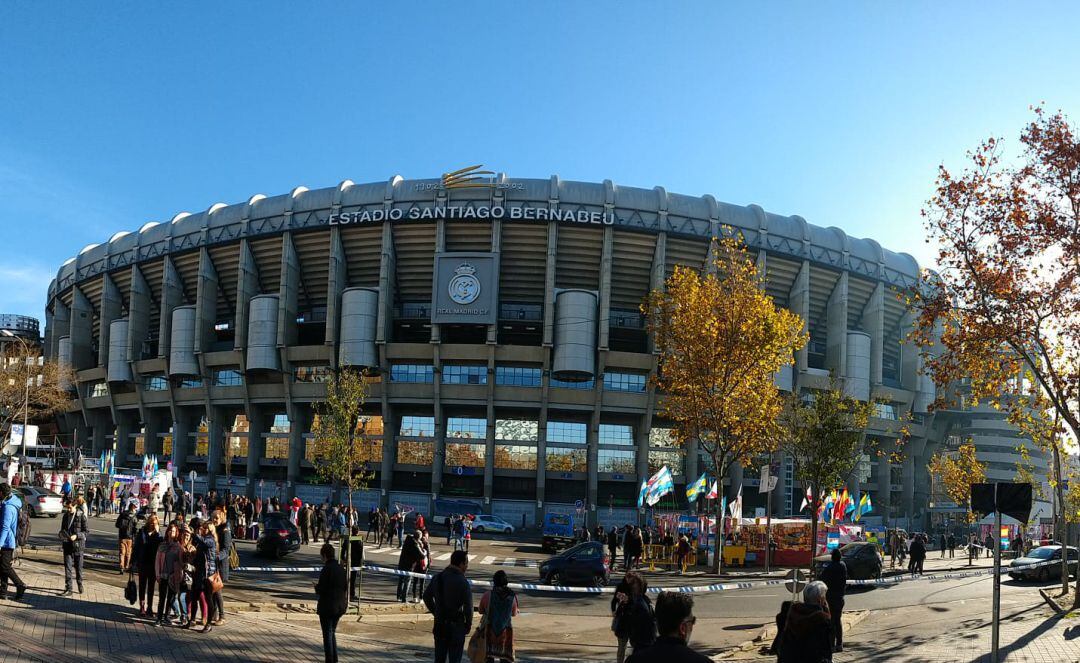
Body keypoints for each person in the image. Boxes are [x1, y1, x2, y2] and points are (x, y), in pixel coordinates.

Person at [624, 591, 710, 663]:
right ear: (683, 628)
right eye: (692, 621)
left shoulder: (633, 660)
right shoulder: (702, 661)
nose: (692, 626)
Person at [424, 550, 473, 663]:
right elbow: (468, 606)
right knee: (455, 659)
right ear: (461, 564)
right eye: (466, 563)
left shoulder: (438, 577)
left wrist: (436, 611)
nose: (466, 566)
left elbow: (426, 597)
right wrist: (468, 624)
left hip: (440, 624)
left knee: (439, 658)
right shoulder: (463, 581)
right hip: (456, 626)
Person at [775, 581, 834, 663]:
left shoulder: (793, 613)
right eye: (825, 597)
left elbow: (783, 642)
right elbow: (825, 649)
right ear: (821, 600)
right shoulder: (822, 620)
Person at [611, 571, 656, 662]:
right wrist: (615, 610)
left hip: (639, 636)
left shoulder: (641, 603)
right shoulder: (623, 588)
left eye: (633, 583)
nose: (631, 585)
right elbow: (614, 601)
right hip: (625, 625)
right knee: (622, 647)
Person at [315, 542, 348, 663]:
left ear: (324, 555)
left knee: (327, 635)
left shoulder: (326, 569)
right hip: (340, 606)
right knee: (332, 632)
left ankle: (330, 659)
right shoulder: (340, 568)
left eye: (321, 556)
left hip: (328, 607)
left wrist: (316, 587)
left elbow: (322, 589)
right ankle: (334, 659)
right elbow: (345, 586)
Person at [478, 570, 519, 663]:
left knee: (488, 658)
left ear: (494, 581)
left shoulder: (488, 595)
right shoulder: (512, 596)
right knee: (505, 658)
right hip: (505, 633)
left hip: (489, 631)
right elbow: (514, 613)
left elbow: (480, 611)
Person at [186, 517, 217, 633]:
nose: (201, 530)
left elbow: (203, 542)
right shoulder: (201, 540)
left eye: (204, 528)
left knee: (209, 599)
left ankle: (208, 623)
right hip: (199, 573)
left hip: (208, 574)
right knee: (195, 597)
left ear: (208, 530)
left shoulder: (210, 540)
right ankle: (192, 620)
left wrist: (193, 534)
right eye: (201, 528)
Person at [133, 514, 163, 616]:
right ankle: (142, 606)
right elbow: (136, 546)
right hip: (143, 563)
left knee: (151, 586)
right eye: (151, 523)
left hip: (153, 563)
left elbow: (161, 546)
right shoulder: (142, 532)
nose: (152, 525)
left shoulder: (158, 535)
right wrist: (134, 561)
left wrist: (158, 531)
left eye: (154, 523)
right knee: (142, 585)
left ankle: (149, 607)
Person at [0, 483, 25, 601]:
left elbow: (5, 527)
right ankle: (3, 591)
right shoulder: (10, 502)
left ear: (1, 493)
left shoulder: (8, 507)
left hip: (6, 541)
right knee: (2, 566)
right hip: (7, 540)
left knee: (5, 567)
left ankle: (20, 585)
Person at [819, 548, 847, 652]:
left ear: (832, 557)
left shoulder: (829, 568)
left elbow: (822, 578)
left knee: (831, 621)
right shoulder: (843, 566)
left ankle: (831, 644)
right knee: (838, 620)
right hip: (840, 597)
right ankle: (839, 644)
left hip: (830, 598)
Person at [58, 498, 87, 595]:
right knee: (68, 567)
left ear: (75, 506)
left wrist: (77, 536)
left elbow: (86, 532)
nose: (68, 510)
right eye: (67, 508)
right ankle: (68, 588)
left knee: (78, 568)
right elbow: (62, 530)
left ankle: (80, 583)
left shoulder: (81, 516)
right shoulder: (65, 516)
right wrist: (61, 535)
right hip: (67, 545)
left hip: (78, 546)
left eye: (70, 508)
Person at [155, 523, 182, 625]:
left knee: (171, 597)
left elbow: (179, 562)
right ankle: (159, 617)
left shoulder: (178, 546)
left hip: (172, 576)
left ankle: (167, 616)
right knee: (162, 597)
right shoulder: (162, 545)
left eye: (174, 531)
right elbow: (157, 560)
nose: (172, 533)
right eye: (170, 530)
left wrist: (178, 575)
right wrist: (157, 574)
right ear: (167, 532)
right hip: (163, 575)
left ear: (176, 533)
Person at [212, 509, 232, 625]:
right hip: (214, 564)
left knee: (217, 590)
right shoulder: (215, 529)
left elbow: (226, 549)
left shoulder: (225, 531)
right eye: (213, 517)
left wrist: (216, 557)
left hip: (220, 565)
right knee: (213, 591)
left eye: (217, 518)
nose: (214, 520)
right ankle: (213, 615)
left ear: (221, 518)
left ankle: (222, 616)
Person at [396, 532, 423, 602]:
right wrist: (423, 550)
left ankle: (398, 596)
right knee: (407, 582)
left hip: (402, 563)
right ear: (418, 538)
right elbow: (422, 555)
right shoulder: (415, 544)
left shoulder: (408, 540)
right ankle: (404, 599)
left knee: (401, 580)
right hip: (409, 565)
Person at [116, 502, 139, 574]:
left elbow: (117, 524)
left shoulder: (122, 514)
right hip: (130, 537)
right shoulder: (134, 517)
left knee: (122, 553)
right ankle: (126, 566)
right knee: (128, 553)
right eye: (135, 507)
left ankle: (121, 567)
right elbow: (135, 528)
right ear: (133, 508)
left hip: (122, 536)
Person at [347, 525, 365, 601]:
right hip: (355, 561)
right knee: (353, 579)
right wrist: (362, 561)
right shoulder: (358, 539)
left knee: (347, 577)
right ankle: (352, 593)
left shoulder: (348, 539)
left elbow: (344, 548)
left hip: (348, 560)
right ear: (358, 531)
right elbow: (361, 551)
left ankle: (346, 592)